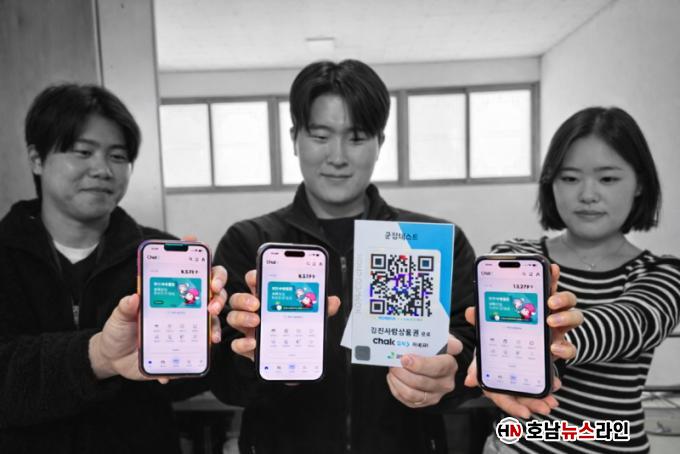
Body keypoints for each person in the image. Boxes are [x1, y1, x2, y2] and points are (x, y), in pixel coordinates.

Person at [212, 59, 582, 454]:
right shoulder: (250, 242)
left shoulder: (433, 243)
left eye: (357, 138)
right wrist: (258, 363)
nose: (337, 156)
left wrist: (447, 377)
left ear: (380, 143)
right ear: (294, 138)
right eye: (320, 136)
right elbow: (224, 383)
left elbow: (469, 350)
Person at [0, 84, 228, 453]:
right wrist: (98, 355)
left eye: (118, 156)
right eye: (83, 151)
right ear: (37, 159)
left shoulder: (160, 255)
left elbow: (182, 384)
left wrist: (209, 339)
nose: (103, 169)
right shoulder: (7, 255)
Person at [469, 106, 680, 453]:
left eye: (607, 179)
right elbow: (489, 323)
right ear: (550, 183)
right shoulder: (516, 256)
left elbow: (633, 321)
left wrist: (555, 339)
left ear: (640, 183)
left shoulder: (662, 273)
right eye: (569, 178)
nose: (587, 194)